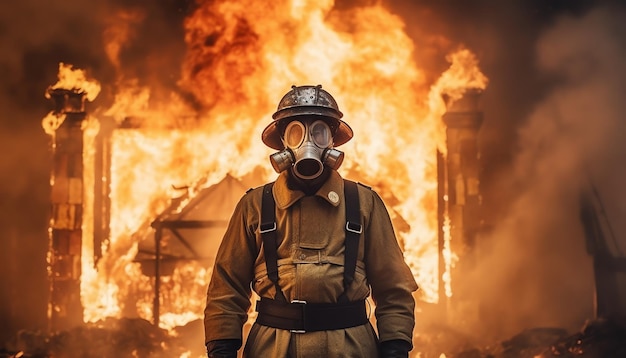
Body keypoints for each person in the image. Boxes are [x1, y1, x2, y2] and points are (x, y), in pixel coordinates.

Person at [203, 85, 418, 358]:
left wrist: (395, 346)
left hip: (350, 348)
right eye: (296, 132)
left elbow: (393, 288)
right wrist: (222, 347)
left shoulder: (364, 203)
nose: (308, 142)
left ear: (332, 142)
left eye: (319, 131)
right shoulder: (255, 205)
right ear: (283, 142)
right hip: (273, 349)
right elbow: (226, 287)